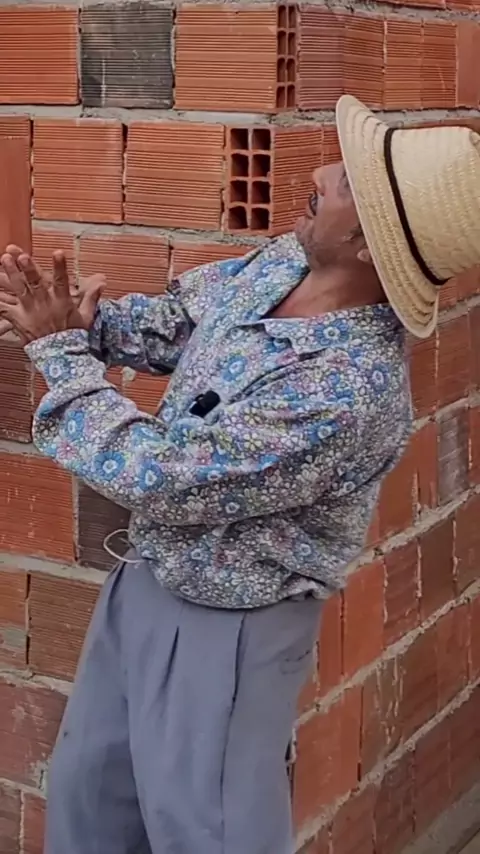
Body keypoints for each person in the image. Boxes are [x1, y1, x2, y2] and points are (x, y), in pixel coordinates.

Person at [0, 95, 479, 854]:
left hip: (230, 627)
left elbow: (163, 478)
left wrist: (60, 355)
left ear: (369, 243)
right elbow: (184, 323)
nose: (319, 174)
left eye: (346, 182)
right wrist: (88, 323)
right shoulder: (288, 263)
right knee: (91, 801)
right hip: (148, 580)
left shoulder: (346, 389)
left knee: (207, 831)